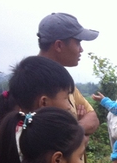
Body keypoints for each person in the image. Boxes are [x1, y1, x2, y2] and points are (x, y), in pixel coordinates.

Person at [37, 12, 100, 140]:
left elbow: (93, 118)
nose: (81, 49)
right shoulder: (31, 83)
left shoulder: (64, 81)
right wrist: (80, 135)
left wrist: (75, 130)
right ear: (59, 45)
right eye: (77, 43)